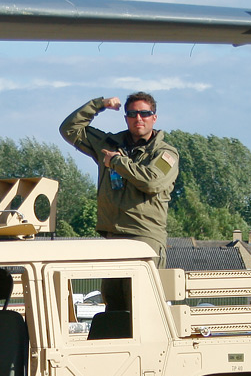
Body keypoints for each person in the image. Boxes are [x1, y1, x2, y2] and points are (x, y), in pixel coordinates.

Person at [59, 92, 179, 268]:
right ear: (126, 118)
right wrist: (99, 104)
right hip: (113, 237)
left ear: (154, 117)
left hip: (145, 237)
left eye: (144, 114)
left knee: (143, 295)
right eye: (132, 114)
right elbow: (69, 129)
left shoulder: (165, 153)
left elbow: (152, 182)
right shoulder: (109, 145)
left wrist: (117, 162)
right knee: (112, 296)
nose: (138, 118)